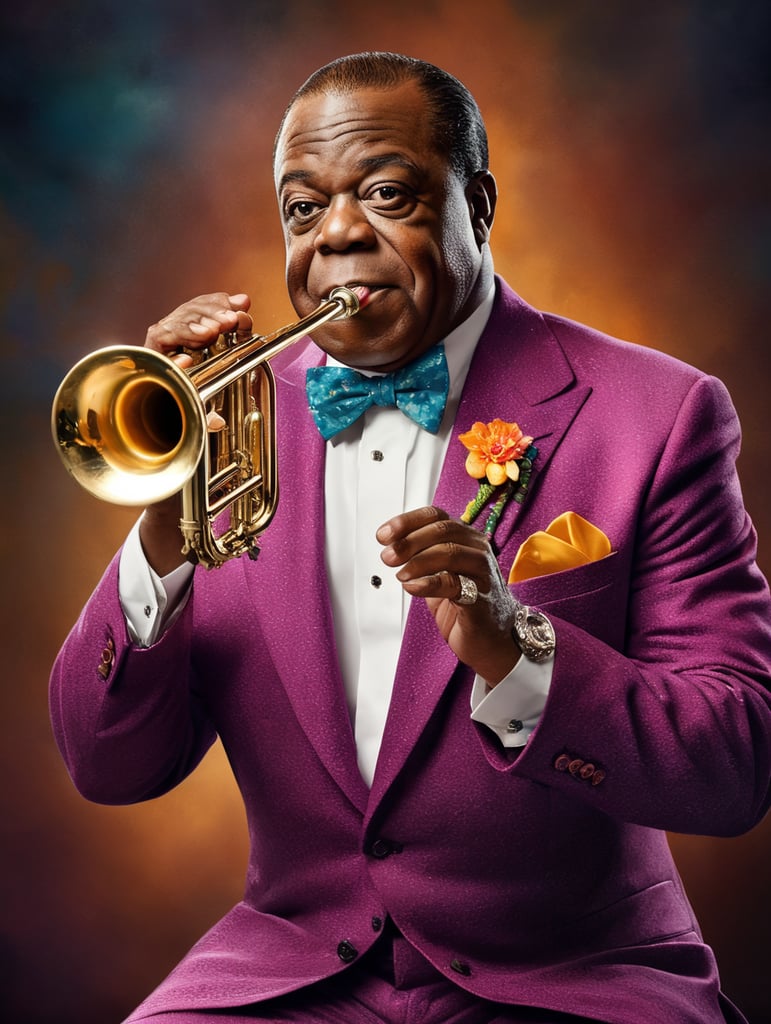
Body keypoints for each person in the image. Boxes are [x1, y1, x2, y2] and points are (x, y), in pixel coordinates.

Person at [50, 52, 771, 1024]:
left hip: (573, 970)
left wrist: (520, 652)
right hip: (296, 967)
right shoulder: (229, 428)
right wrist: (163, 531)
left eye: (387, 193)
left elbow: (735, 763)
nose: (338, 232)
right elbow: (107, 768)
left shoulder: (661, 413)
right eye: (303, 209)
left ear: (479, 205)